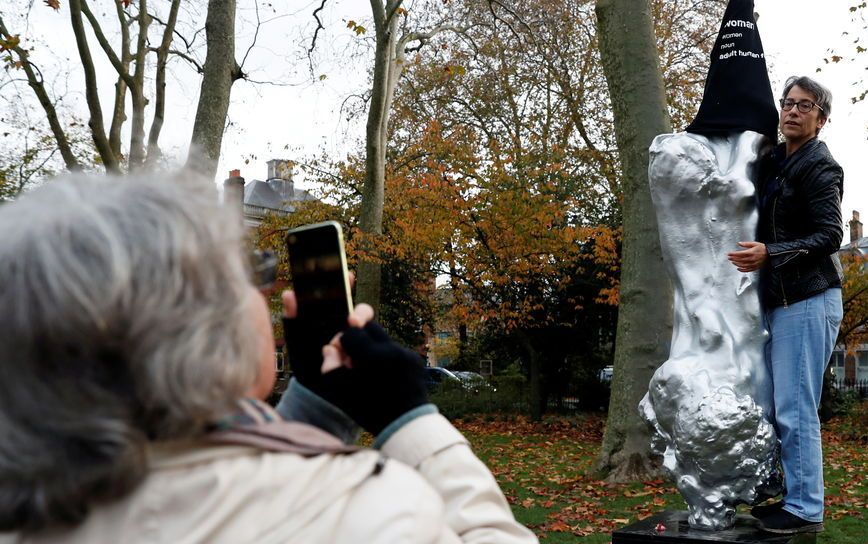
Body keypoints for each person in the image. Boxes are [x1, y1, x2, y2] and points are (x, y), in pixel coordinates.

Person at [0, 173, 537, 544]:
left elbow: (195, 477)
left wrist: (316, 403)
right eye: (251, 276)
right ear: (200, 329)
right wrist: (408, 417)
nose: (265, 293)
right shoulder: (367, 511)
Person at [727, 75, 844, 534]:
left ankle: (805, 508)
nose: (793, 111)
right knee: (777, 407)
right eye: (788, 103)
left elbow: (831, 234)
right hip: (780, 300)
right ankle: (786, 493)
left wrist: (769, 254)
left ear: (821, 119)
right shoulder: (777, 160)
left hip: (810, 297)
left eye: (805, 106)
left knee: (796, 408)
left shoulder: (820, 166)